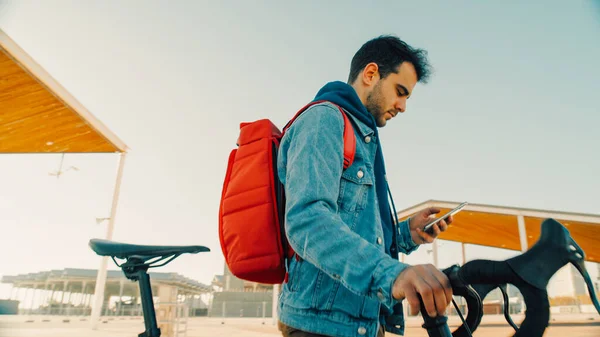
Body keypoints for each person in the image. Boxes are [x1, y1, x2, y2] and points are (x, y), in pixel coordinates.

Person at [276, 35, 454, 337]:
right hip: (321, 325)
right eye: (400, 92)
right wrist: (392, 275)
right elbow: (307, 221)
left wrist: (407, 232)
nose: (403, 106)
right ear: (371, 74)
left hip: (363, 322)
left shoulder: (363, 137)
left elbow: (357, 230)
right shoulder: (324, 120)